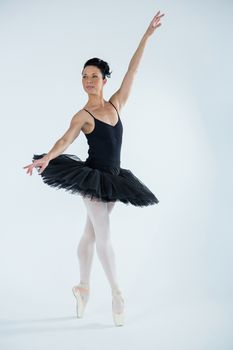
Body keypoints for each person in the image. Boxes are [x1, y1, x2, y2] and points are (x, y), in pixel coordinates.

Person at [23, 11, 164, 326]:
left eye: (93, 76)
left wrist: (146, 36)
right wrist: (46, 157)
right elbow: (64, 140)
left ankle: (82, 287)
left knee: (89, 234)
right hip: (92, 180)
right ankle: (116, 293)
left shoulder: (116, 104)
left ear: (104, 80)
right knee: (103, 235)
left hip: (116, 180)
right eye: (84, 76)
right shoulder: (82, 115)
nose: (88, 81)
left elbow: (134, 69)